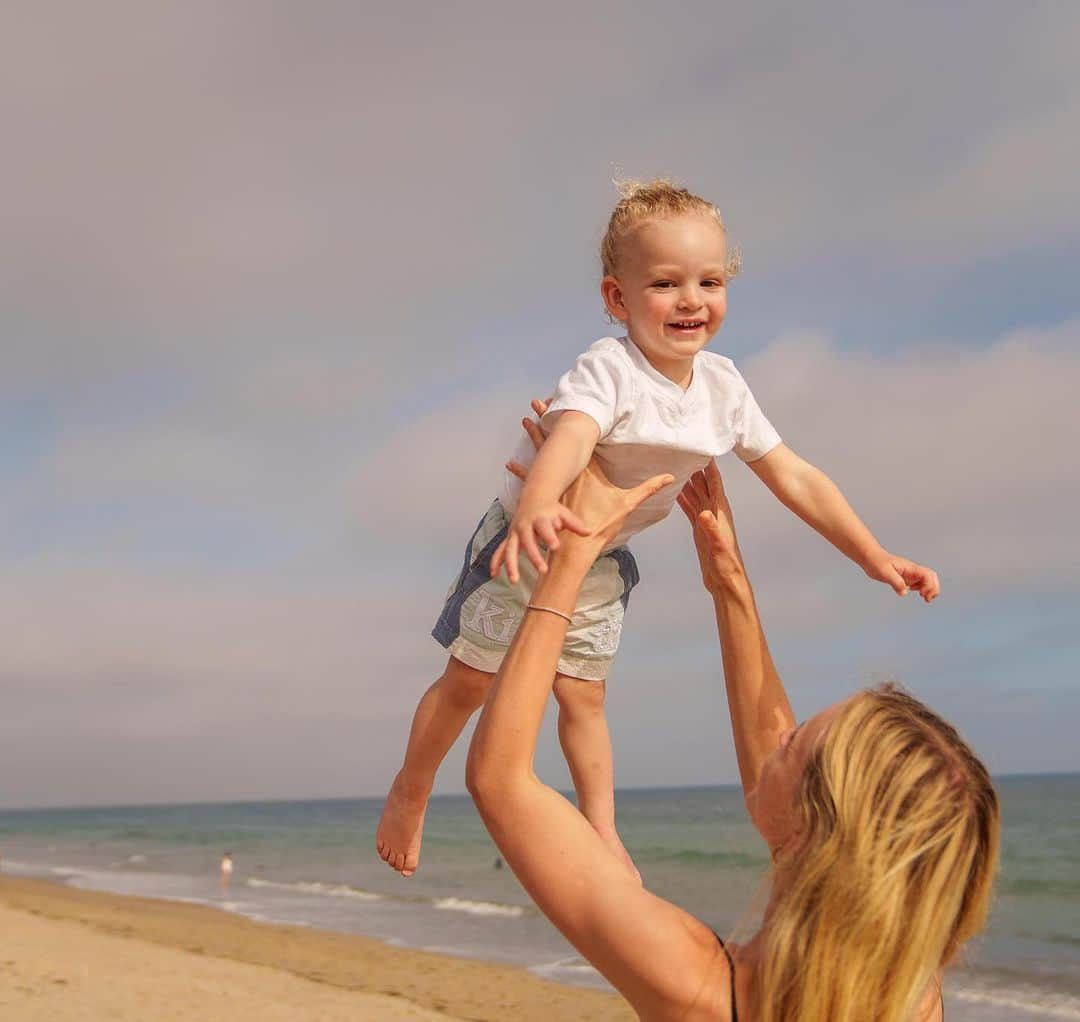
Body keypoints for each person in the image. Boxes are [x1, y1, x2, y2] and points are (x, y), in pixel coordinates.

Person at [377, 178, 939, 880]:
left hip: (605, 550)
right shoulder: (611, 368)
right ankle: (412, 786)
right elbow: (571, 435)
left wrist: (870, 554)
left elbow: (793, 473)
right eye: (666, 284)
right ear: (618, 299)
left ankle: (603, 828)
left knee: (584, 695)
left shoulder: (724, 388)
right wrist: (538, 506)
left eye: (709, 281)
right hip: (531, 532)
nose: (691, 301)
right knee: (469, 680)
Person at [464, 416, 998, 1021]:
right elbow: (785, 787)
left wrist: (571, 557)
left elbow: (501, 781)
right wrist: (730, 584)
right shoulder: (911, 997)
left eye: (794, 743)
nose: (780, 737)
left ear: (809, 835)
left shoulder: (700, 987)